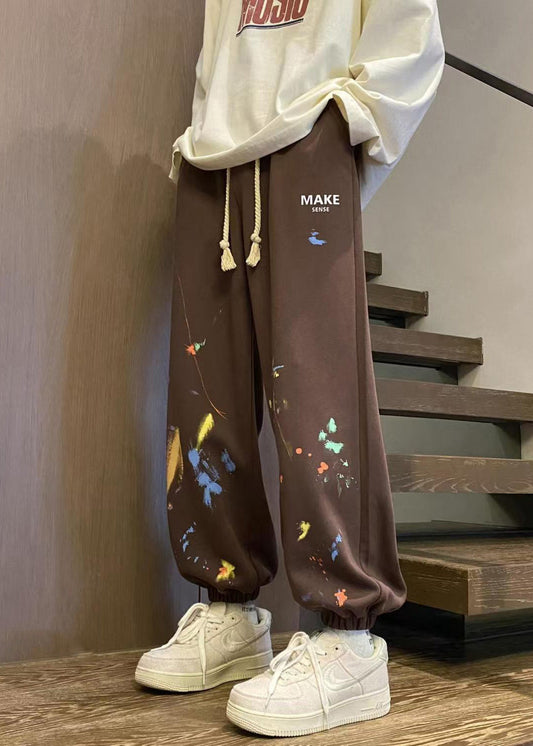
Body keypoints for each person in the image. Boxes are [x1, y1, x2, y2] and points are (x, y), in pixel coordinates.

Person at [136, 0, 445, 737]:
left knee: (317, 395)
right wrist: (203, 130)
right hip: (213, 156)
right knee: (203, 397)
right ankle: (229, 607)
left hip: (311, 131)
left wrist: (345, 123)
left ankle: (349, 635)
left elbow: (412, 36)